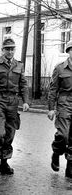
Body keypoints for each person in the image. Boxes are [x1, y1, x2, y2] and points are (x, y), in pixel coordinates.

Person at [0, 38, 29, 174]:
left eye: (12, 49)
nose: (10, 51)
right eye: (7, 49)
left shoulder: (19, 65)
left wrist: (25, 101)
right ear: (2, 50)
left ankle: (4, 163)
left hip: (13, 103)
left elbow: (23, 84)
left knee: (9, 134)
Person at [48, 40, 72, 178]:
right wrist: (51, 108)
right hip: (64, 103)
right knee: (63, 135)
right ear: (68, 52)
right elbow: (53, 89)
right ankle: (56, 152)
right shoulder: (60, 68)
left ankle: (70, 165)